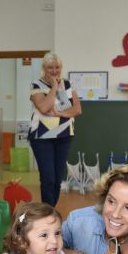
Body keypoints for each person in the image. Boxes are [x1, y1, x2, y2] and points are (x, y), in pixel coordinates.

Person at [29, 53, 82, 207]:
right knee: (48, 178)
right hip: (41, 137)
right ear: (44, 69)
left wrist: (61, 113)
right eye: (50, 67)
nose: (54, 70)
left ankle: (51, 210)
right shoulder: (36, 85)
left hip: (64, 136)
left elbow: (77, 109)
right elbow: (44, 107)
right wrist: (54, 87)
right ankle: (48, 213)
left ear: (61, 68)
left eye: (57, 67)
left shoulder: (68, 84)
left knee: (58, 179)